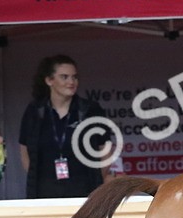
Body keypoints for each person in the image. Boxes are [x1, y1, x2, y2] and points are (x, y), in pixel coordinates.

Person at [19, 55, 114, 199]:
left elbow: (105, 148)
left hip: (85, 192)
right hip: (44, 193)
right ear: (49, 80)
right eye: (64, 77)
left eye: (74, 77)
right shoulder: (35, 110)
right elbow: (24, 149)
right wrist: (36, 177)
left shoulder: (89, 109)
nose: (71, 82)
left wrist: (96, 181)